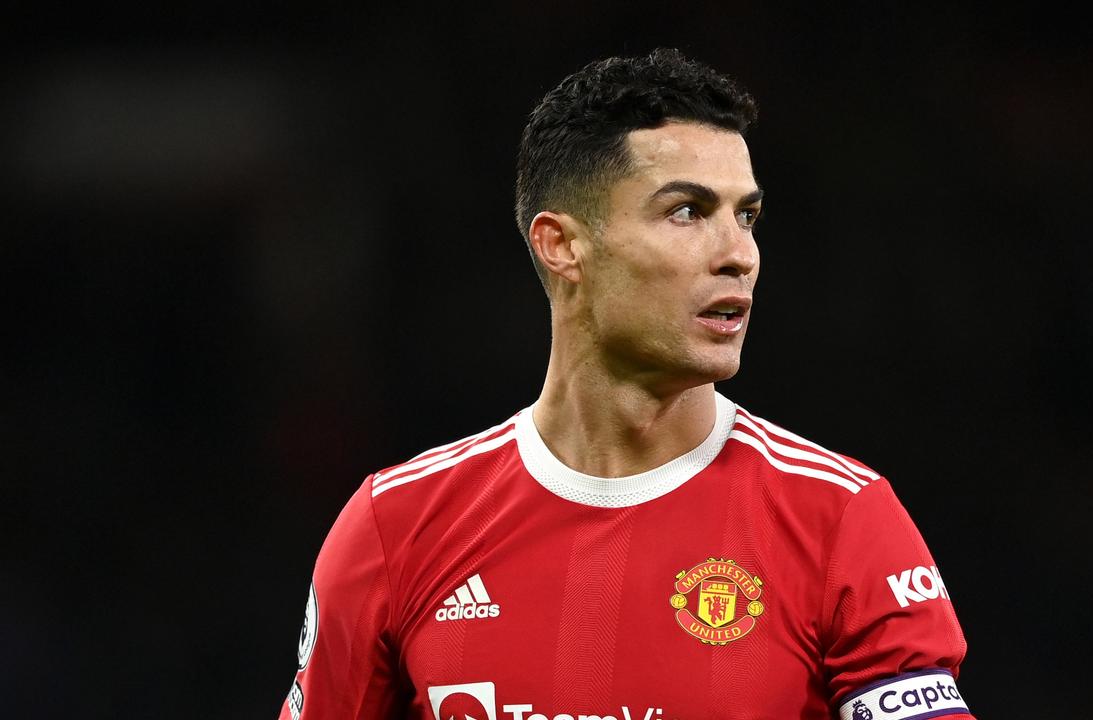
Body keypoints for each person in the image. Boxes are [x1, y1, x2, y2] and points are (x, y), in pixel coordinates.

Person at [279, 48, 975, 720]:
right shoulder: (396, 529)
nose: (740, 255)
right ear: (562, 245)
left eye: (747, 215)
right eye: (687, 211)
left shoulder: (841, 521)